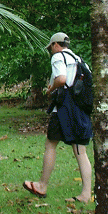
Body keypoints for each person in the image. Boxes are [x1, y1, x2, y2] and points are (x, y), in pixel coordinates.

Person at [23, 32, 93, 203]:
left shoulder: (58, 57)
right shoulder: (79, 60)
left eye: (51, 48)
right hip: (79, 110)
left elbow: (61, 79)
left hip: (63, 109)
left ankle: (42, 185)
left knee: (50, 145)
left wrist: (50, 89)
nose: (51, 51)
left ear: (55, 45)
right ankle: (86, 194)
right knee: (80, 151)